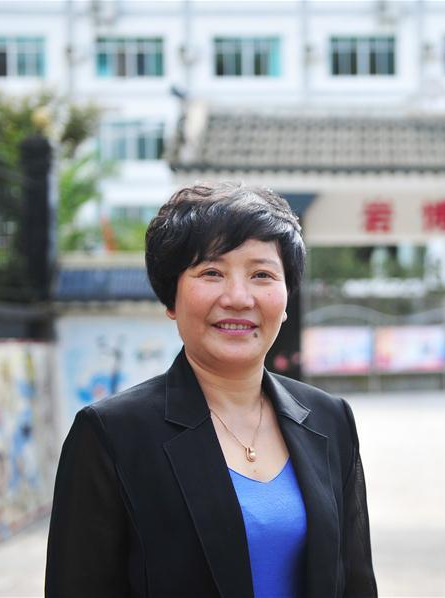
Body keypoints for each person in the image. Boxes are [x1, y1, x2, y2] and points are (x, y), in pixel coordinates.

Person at [45, 182, 377, 597]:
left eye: (261, 275)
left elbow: (355, 583)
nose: (238, 298)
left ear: (286, 297)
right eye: (211, 273)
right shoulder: (111, 435)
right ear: (171, 298)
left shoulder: (330, 419)